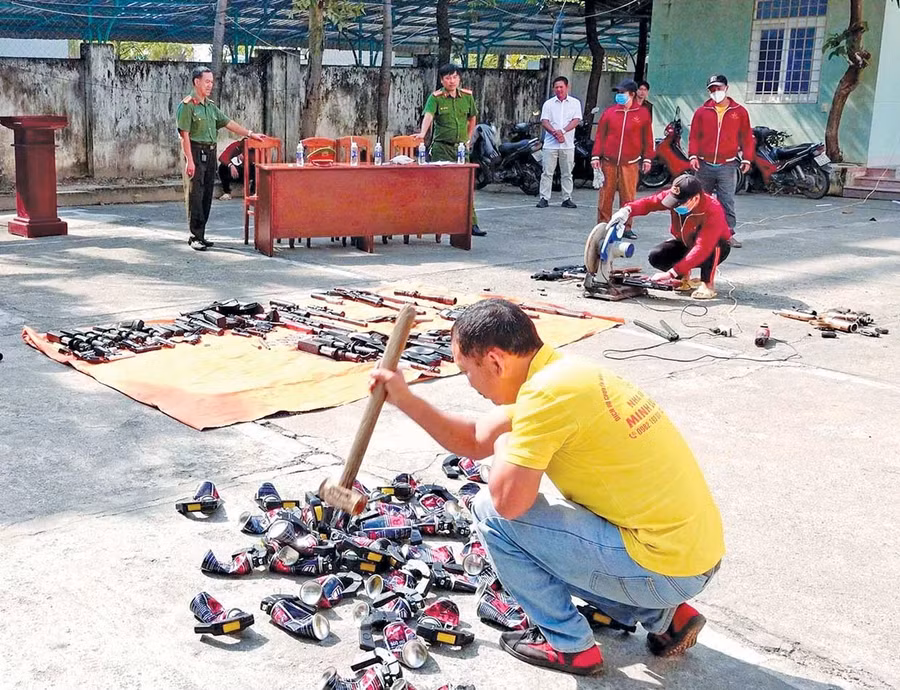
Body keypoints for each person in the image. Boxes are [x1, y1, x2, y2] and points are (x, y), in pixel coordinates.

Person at [369, 299, 725, 677]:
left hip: (665, 566)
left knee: (491, 514)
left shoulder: (545, 397)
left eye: (466, 371)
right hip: (688, 555)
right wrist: (405, 399)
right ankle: (668, 619)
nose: (469, 383)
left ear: (494, 361)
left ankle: (570, 645)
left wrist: (506, 448)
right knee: (546, 535)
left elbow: (508, 505)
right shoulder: (563, 374)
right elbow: (474, 438)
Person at [176, 66, 265, 251]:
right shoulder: (187, 106)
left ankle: (201, 234)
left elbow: (228, 123)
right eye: (206, 81)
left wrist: (250, 134)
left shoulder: (210, 106)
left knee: (207, 194)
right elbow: (184, 135)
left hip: (209, 153)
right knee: (196, 195)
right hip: (194, 151)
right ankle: (195, 236)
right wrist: (189, 161)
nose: (210, 85)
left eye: (211, 82)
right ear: (196, 82)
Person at [610, 173, 731, 300]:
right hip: (686, 241)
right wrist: (627, 210)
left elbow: (702, 248)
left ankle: (708, 285)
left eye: (679, 203)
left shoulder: (712, 209)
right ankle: (684, 279)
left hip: (714, 247)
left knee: (714, 245)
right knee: (657, 255)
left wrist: (671, 273)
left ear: (695, 198)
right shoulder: (675, 197)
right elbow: (649, 203)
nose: (675, 206)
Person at [416, 64, 486, 237]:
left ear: (459, 78)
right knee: (441, 187)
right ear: (441, 80)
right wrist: (423, 133)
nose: (451, 81)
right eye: (447, 78)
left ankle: (472, 223)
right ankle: (440, 223)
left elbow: (472, 117)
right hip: (442, 148)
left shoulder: (467, 97)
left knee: (466, 187)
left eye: (454, 77)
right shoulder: (436, 98)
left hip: (461, 149)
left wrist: (468, 138)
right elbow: (429, 116)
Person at [688, 74, 754, 249]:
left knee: (726, 200)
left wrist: (747, 158)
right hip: (703, 164)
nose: (716, 91)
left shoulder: (739, 112)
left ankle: (728, 234)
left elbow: (747, 138)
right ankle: (698, 233)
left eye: (719, 88)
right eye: (712, 89)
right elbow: (694, 136)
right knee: (701, 200)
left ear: (726, 88)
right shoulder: (702, 112)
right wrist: (693, 156)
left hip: (727, 164)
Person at [590, 79, 654, 241]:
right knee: (606, 196)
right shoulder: (610, 113)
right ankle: (603, 226)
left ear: (632, 94)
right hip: (608, 162)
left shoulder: (642, 114)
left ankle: (626, 227)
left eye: (622, 93)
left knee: (628, 197)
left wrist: (647, 158)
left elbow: (648, 138)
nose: (619, 96)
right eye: (618, 93)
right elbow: (600, 136)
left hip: (630, 163)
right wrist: (595, 156)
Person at [536, 76, 582, 209]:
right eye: (556, 87)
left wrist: (562, 131)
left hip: (567, 145)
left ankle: (567, 198)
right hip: (550, 144)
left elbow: (576, 120)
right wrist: (555, 133)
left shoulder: (575, 103)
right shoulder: (548, 104)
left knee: (567, 172)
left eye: (561, 87)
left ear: (567, 87)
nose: (559, 89)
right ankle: (544, 198)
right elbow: (545, 121)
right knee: (547, 172)